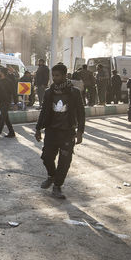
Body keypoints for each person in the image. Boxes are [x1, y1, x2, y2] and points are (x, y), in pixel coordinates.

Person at [35, 63, 85, 200]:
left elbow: (81, 113)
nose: (55, 78)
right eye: (53, 76)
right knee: (46, 157)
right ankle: (52, 175)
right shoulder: (49, 92)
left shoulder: (74, 92)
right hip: (51, 131)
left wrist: (80, 131)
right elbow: (44, 112)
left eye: (57, 75)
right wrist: (38, 128)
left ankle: (57, 186)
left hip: (67, 133)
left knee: (64, 161)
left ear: (64, 75)